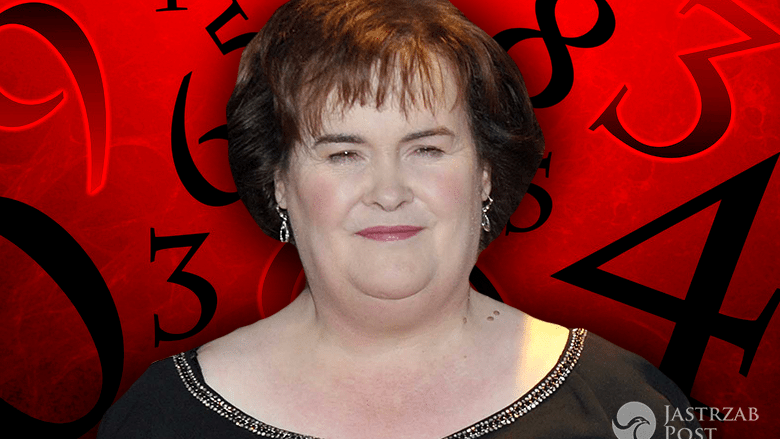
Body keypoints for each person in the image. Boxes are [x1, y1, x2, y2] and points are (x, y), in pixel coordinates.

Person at [98, 1, 701, 438]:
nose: (388, 192)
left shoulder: (625, 407)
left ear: (485, 174)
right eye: (343, 154)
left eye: (427, 149)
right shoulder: (161, 418)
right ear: (279, 181)